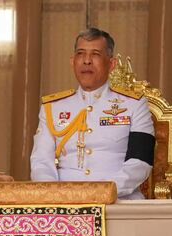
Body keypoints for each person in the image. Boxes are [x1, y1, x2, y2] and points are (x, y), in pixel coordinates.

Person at [30, 28, 155, 200]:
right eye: (81, 54)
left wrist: (105, 191)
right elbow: (41, 161)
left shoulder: (134, 104)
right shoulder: (52, 107)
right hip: (65, 202)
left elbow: (141, 162)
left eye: (95, 54)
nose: (87, 61)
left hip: (118, 202)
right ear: (73, 61)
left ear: (111, 64)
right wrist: (54, 195)